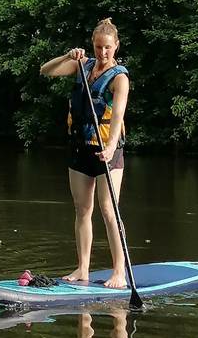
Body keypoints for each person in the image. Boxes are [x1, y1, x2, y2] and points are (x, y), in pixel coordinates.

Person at [40, 17, 130, 289]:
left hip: (107, 152)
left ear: (116, 46)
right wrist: (67, 56)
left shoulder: (119, 78)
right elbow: (46, 70)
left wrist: (111, 147)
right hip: (80, 148)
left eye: (107, 47)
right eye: (98, 47)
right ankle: (82, 269)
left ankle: (119, 272)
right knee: (82, 210)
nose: (102, 53)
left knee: (108, 210)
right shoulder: (83, 65)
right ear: (93, 44)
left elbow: (118, 117)